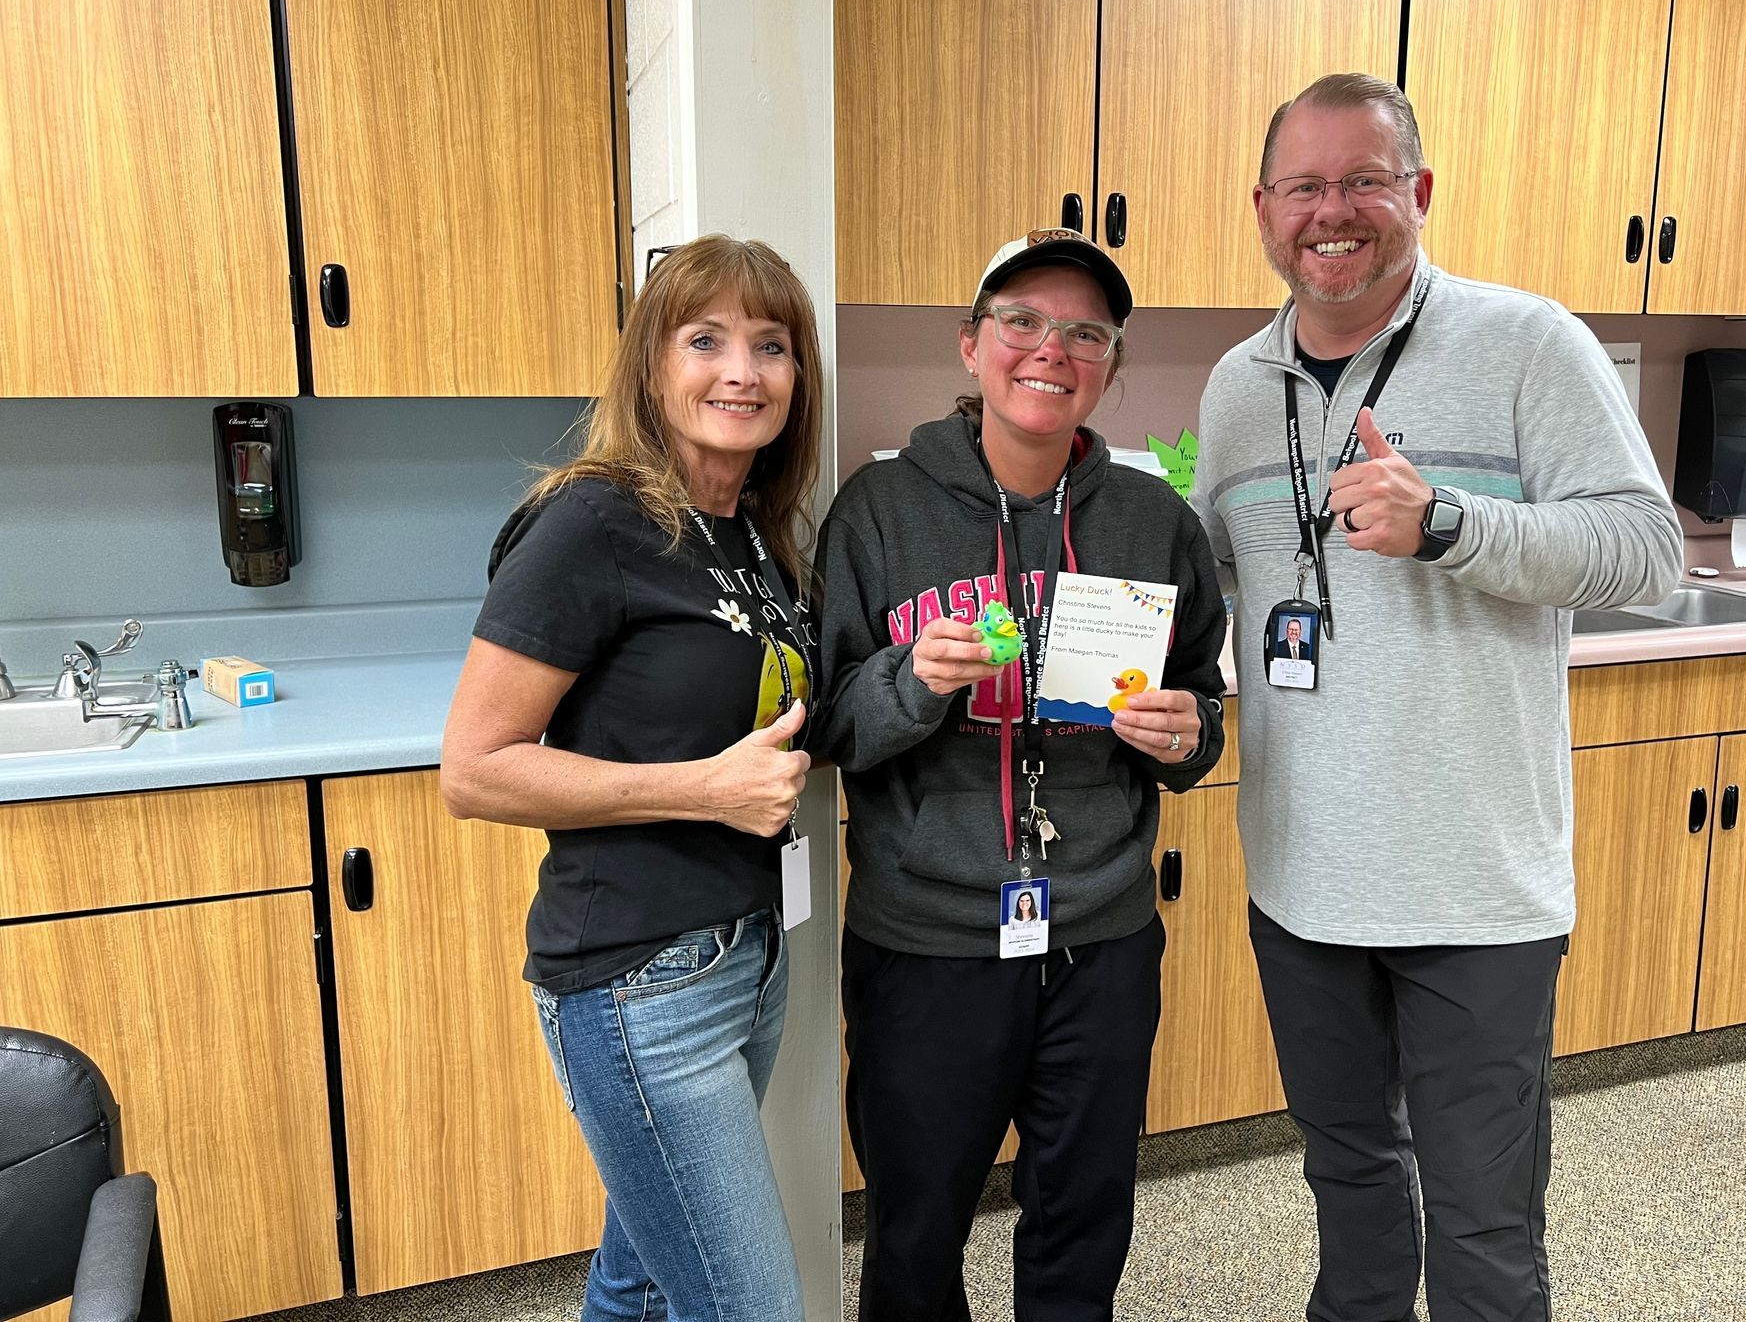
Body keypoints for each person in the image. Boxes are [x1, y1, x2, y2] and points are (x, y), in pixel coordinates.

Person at [1192, 74, 1681, 1321]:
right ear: (1263, 208)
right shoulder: (1239, 385)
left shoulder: (1527, 343)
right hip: (1301, 880)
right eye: (1304, 186)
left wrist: (1451, 521)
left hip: (1475, 889)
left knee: (1482, 1231)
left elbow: (1646, 553)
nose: (1332, 212)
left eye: (1364, 180)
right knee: (1350, 1191)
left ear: (1419, 193)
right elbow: (1209, 587)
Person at [818, 228, 1229, 1320]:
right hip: (929, 938)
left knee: (1085, 1217)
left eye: (1086, 332)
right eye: (1023, 323)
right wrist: (913, 680)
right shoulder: (879, 512)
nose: (1052, 350)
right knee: (916, 1226)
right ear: (971, 345)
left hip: (1102, 929)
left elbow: (1206, 707)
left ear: (1110, 366)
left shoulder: (1155, 523)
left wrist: (1188, 736)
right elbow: (833, 727)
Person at [439, 235, 824, 1322]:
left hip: (745, 964)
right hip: (638, 984)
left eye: (771, 345)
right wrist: (702, 790)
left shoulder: (752, 537)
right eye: (705, 340)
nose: (741, 371)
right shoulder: (593, 521)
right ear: (652, 367)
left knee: (644, 1278)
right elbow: (474, 770)